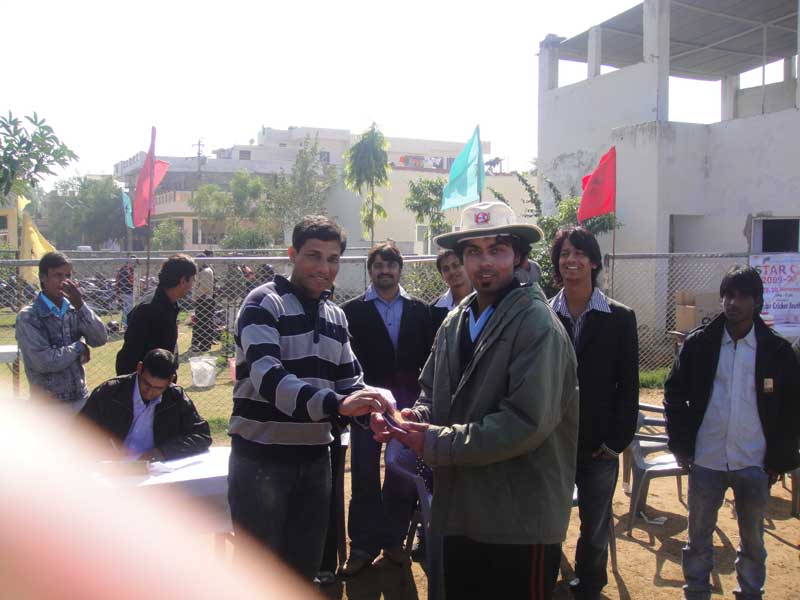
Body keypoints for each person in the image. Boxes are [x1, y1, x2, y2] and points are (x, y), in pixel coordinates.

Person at [372, 201, 579, 600]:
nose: (484, 263)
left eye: (496, 250)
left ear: (518, 256)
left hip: (518, 521)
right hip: (460, 511)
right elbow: (433, 393)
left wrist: (433, 440)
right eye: (473, 251)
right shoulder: (455, 320)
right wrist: (409, 418)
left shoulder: (537, 325)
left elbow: (525, 423)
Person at [227, 215, 390, 581]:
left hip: (316, 460)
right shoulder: (263, 303)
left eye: (333, 259)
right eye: (314, 256)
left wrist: (374, 411)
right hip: (261, 462)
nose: (324, 268)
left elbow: (350, 382)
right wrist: (337, 404)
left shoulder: (336, 316)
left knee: (302, 573)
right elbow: (269, 379)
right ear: (292, 254)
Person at [664, 266, 800, 600]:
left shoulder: (777, 352)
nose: (732, 303)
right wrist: (681, 446)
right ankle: (696, 591)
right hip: (706, 459)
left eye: (741, 296)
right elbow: (673, 393)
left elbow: (791, 410)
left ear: (757, 301)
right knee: (698, 540)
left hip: (753, 463)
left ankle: (750, 593)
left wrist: (778, 460)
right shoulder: (700, 345)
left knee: (752, 542)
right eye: (727, 295)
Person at [549, 226, 639, 600]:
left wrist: (615, 442)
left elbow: (628, 386)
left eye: (579, 253)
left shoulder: (620, 317)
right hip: (551, 442)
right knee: (548, 519)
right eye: (564, 254)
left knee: (595, 524)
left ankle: (589, 585)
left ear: (594, 262)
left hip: (598, 444)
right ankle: (543, 578)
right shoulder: (542, 315)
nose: (571, 260)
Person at [340, 242, 434, 575]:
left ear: (399, 269)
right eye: (378, 265)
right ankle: (362, 546)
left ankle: (393, 541)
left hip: (408, 409)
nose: (385, 271)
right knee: (364, 475)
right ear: (370, 270)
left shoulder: (420, 310)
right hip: (366, 407)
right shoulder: (351, 312)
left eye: (391, 265)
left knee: (401, 476)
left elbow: (429, 360)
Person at [16, 252, 108, 411]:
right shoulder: (29, 316)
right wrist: (78, 347)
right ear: (43, 277)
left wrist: (81, 306)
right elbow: (43, 361)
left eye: (68, 275)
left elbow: (100, 338)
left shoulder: (74, 309)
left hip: (79, 398)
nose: (64, 281)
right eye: (57, 275)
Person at [80, 348, 211, 461]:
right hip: (112, 466)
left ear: (171, 380)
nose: (150, 392)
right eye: (146, 384)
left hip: (156, 467)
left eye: (158, 388)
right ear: (139, 368)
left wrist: (162, 452)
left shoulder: (175, 397)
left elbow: (202, 436)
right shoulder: (110, 393)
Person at [115, 254, 197, 376]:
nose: (193, 284)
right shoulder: (149, 309)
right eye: (193, 279)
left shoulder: (170, 302)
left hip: (162, 378)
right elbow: (129, 356)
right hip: (147, 381)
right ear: (183, 280)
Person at [430, 248, 472, 332]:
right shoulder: (434, 310)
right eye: (446, 269)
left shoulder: (486, 300)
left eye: (456, 265)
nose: (452, 271)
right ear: (442, 276)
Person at [191, 250, 216, 353]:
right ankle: (201, 343)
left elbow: (204, 288)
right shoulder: (202, 271)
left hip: (204, 300)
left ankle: (205, 345)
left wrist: (195, 296)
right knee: (202, 322)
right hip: (202, 299)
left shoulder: (206, 271)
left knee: (204, 322)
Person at [115, 255, 137, 330]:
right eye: (133, 262)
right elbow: (128, 281)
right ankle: (126, 325)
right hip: (126, 292)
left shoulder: (130, 269)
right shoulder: (125, 270)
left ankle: (127, 324)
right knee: (128, 309)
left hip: (129, 292)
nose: (134, 264)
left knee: (129, 308)